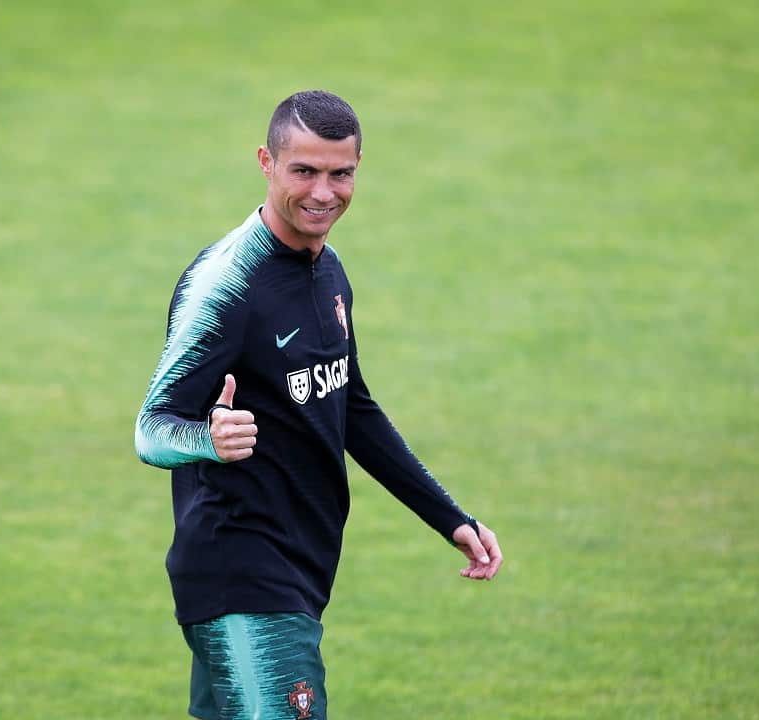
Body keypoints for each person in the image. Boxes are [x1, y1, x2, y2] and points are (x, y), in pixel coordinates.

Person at [134, 90, 503, 720]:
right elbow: (151, 428)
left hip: (301, 564)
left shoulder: (327, 270)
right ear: (266, 163)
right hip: (241, 572)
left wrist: (448, 517)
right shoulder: (225, 285)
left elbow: (352, 406)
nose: (323, 192)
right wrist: (208, 439)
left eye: (341, 173)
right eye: (304, 170)